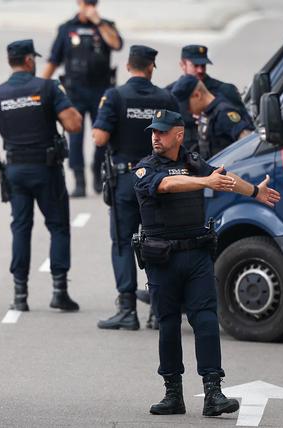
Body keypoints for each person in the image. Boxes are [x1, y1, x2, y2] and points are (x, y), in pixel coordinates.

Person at [133, 109, 280, 417]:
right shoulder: (146, 168)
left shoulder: (193, 162)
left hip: (196, 255)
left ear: (179, 135)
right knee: (168, 325)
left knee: (206, 321)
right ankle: (173, 394)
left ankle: (213, 393)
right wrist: (204, 181)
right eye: (153, 131)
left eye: (162, 131)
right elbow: (167, 185)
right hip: (163, 259)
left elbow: (223, 178)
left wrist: (255, 191)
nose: (155, 136)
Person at [0, 39, 83, 312]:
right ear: (28, 60)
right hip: (46, 170)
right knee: (58, 226)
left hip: (15, 170)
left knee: (21, 228)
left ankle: (20, 295)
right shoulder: (48, 88)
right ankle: (59, 291)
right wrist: (65, 100)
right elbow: (74, 125)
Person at [92, 45, 178, 331]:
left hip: (127, 181)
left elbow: (100, 138)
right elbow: (178, 138)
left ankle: (127, 309)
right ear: (151, 67)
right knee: (158, 242)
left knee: (123, 243)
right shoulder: (166, 98)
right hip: (159, 180)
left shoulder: (115, 96)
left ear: (129, 66)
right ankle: (158, 310)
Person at [42, 0, 123, 198]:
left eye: (92, 2)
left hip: (101, 91)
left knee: (102, 135)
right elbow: (54, 60)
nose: (89, 6)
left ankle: (97, 173)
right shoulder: (67, 28)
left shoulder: (106, 26)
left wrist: (99, 22)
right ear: (79, 3)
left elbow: (117, 44)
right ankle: (79, 181)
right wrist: (40, 87)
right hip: (75, 92)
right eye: (85, 2)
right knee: (75, 138)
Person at [171, 75, 254, 159]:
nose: (188, 110)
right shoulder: (207, 114)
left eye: (187, 106)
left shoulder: (223, 113)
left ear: (197, 95)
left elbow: (249, 141)